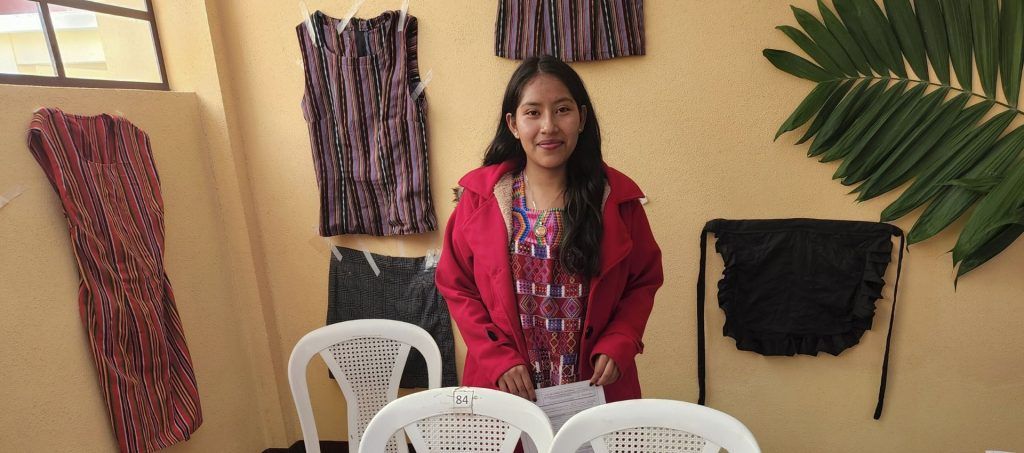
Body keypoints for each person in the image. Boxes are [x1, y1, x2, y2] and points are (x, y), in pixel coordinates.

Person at [435, 55, 663, 403]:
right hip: (505, 387)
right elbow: (456, 284)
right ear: (513, 124)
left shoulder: (617, 201)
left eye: (562, 110)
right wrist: (497, 358)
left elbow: (643, 281)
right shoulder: (481, 200)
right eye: (533, 112)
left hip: (592, 388)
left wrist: (621, 340)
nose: (549, 126)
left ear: (582, 118)